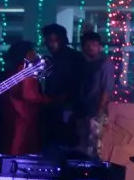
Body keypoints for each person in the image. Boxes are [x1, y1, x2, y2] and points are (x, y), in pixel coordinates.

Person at [0, 41, 53, 156]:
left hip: (10, 115)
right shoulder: (27, 69)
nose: (36, 54)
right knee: (21, 149)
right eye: (33, 51)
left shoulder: (11, 70)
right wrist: (48, 100)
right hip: (23, 116)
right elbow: (30, 95)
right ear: (27, 53)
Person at [39, 23, 88, 153]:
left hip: (69, 110)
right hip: (55, 109)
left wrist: (69, 100)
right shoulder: (53, 59)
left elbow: (81, 85)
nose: (51, 44)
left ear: (62, 40)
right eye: (48, 41)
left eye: (54, 40)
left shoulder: (74, 58)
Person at [80, 31, 116, 159]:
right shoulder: (85, 63)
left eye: (94, 44)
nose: (91, 47)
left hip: (96, 111)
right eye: (87, 45)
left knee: (94, 148)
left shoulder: (105, 63)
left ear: (99, 46)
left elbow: (107, 89)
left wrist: (99, 112)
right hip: (84, 110)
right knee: (83, 147)